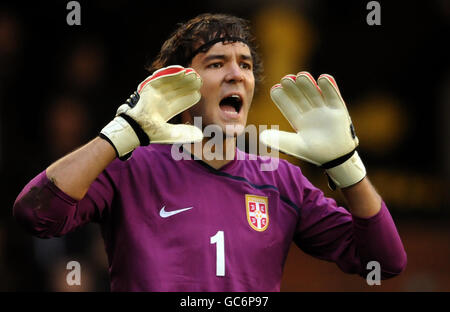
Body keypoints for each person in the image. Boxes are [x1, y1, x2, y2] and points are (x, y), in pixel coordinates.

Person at [13, 13, 407, 291]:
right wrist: (118, 134)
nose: (237, 74)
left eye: (246, 65)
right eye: (217, 63)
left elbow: (384, 263)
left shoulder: (282, 180)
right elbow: (35, 214)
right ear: (180, 87)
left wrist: (348, 168)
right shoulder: (130, 164)